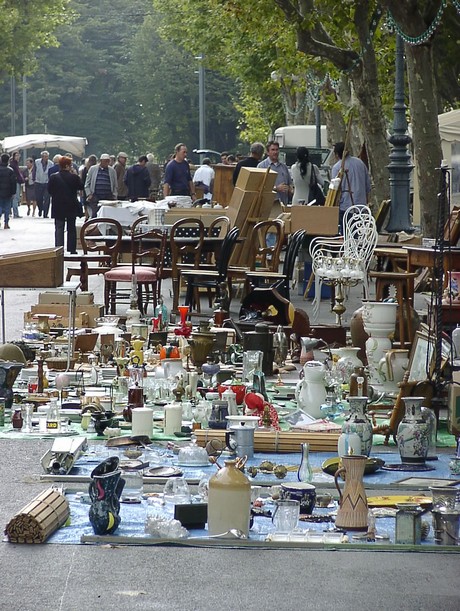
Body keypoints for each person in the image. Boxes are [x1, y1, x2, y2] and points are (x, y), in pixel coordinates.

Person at [332, 141, 371, 232]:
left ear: (337, 154)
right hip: (361, 206)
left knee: (347, 235)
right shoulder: (360, 163)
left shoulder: (337, 167)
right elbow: (368, 185)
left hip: (346, 207)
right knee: (359, 235)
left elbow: (334, 190)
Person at [48, 156, 83, 254]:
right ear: (68, 166)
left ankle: (59, 249)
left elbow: (49, 190)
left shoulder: (54, 177)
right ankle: (72, 249)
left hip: (58, 205)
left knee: (59, 228)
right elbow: (81, 186)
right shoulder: (74, 177)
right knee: (71, 228)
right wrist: (76, 174)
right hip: (71, 205)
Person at [257, 140, 292, 205]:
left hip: (283, 204)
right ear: (267, 152)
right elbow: (258, 187)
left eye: (277, 150)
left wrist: (290, 189)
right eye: (273, 150)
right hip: (268, 205)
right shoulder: (262, 166)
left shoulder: (284, 167)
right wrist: (276, 188)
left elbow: (290, 184)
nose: (275, 152)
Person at [84, 153, 117, 217]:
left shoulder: (112, 171)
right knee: (95, 215)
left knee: (107, 215)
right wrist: (89, 194)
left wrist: (114, 195)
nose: (107, 163)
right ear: (101, 161)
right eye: (105, 161)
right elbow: (87, 183)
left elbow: (115, 184)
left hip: (108, 197)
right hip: (96, 196)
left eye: (108, 161)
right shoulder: (93, 169)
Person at [33, 150, 53, 217]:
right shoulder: (37, 162)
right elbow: (34, 171)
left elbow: (51, 173)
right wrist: (34, 179)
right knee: (39, 198)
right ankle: (40, 209)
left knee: (47, 198)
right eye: (43, 156)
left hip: (47, 182)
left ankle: (45, 213)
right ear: (41, 156)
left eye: (46, 156)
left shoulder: (51, 163)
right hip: (38, 182)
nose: (45, 157)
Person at [0, 153, 17, 229]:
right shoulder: (10, 170)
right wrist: (13, 192)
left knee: (0, 206)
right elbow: (13, 182)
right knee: (7, 207)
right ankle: (6, 223)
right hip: (8, 191)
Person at [9, 151, 25, 218]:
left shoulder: (15, 164)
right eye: (16, 155)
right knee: (15, 197)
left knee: (15, 198)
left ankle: (13, 212)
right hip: (15, 182)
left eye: (18, 155)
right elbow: (16, 174)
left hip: (17, 181)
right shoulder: (13, 164)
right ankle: (15, 213)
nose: (18, 157)